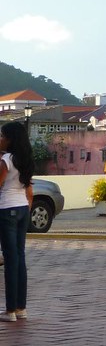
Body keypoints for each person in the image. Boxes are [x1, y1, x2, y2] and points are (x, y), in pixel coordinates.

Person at [0, 122, 33, 322]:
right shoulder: (25, 159)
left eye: (2, 135)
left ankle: (10, 310)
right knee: (19, 258)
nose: (0, 138)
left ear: (10, 139)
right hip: (22, 209)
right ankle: (21, 308)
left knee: (10, 260)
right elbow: (29, 190)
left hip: (6, 210)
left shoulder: (6, 160)